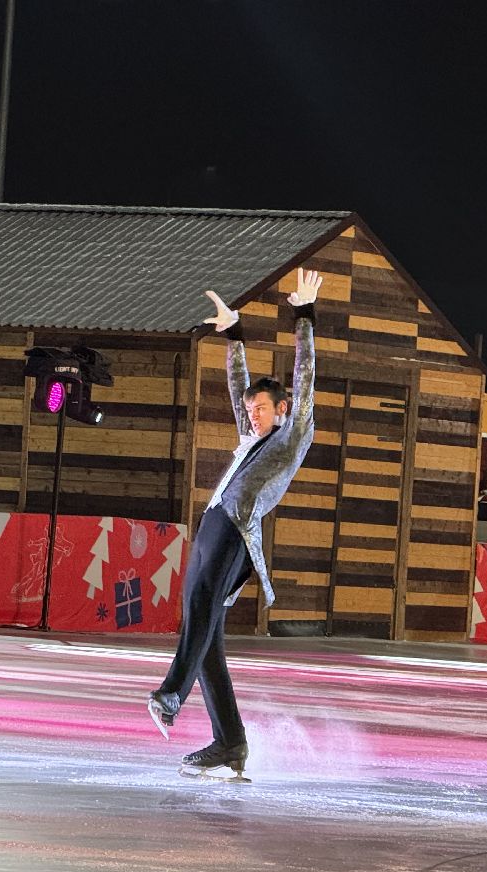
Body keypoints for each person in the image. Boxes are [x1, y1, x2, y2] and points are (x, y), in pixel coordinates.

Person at [146, 268, 322, 779]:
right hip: (211, 525)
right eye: (249, 411)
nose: (252, 417)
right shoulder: (250, 434)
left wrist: (304, 316)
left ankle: (171, 695)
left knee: (200, 608)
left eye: (262, 409)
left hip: (236, 528)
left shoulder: (291, 435)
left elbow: (305, 382)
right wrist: (234, 333)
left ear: (282, 410)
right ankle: (230, 744)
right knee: (207, 640)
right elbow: (238, 385)